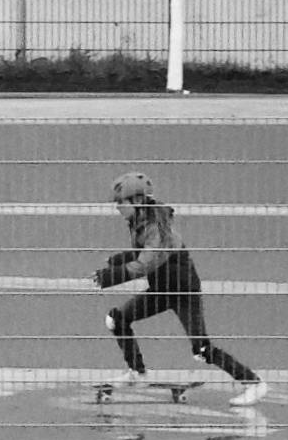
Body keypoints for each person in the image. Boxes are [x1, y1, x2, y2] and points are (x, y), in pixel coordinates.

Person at [96, 171, 264, 405]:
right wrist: (119, 259)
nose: (117, 208)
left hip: (183, 292)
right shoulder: (138, 220)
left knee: (202, 350)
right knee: (116, 319)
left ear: (137, 200)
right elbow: (146, 253)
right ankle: (137, 373)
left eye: (120, 203)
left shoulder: (155, 224)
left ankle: (253, 383)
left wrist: (114, 275)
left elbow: (149, 260)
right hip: (162, 290)